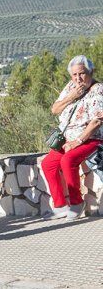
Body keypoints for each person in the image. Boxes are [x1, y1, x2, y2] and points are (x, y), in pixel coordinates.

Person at [42, 55, 103, 220]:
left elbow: (97, 121)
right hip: (67, 139)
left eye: (82, 73)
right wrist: (72, 96)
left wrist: (78, 141)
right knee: (48, 164)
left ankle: (77, 203)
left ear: (91, 72)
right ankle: (60, 206)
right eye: (74, 75)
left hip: (90, 138)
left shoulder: (98, 90)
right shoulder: (71, 87)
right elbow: (54, 109)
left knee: (68, 160)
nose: (78, 78)